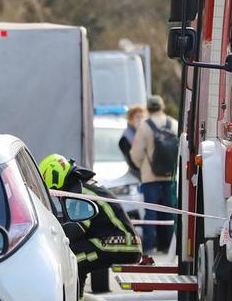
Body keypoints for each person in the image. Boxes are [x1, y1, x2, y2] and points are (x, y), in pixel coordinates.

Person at [39, 154, 141, 289]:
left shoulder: (79, 191)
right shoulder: (82, 184)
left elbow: (77, 228)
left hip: (121, 243)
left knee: (72, 260)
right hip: (120, 241)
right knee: (77, 252)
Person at [128, 94, 180, 255]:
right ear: (162, 107)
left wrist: (143, 167)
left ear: (148, 108)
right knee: (169, 211)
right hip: (170, 176)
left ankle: (149, 247)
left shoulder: (145, 126)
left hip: (150, 177)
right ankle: (168, 246)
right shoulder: (174, 124)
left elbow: (136, 153)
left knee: (150, 212)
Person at [118, 105, 145, 182]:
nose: (140, 120)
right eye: (137, 117)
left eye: (142, 117)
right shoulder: (126, 138)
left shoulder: (145, 133)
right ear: (130, 119)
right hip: (135, 177)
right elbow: (133, 163)